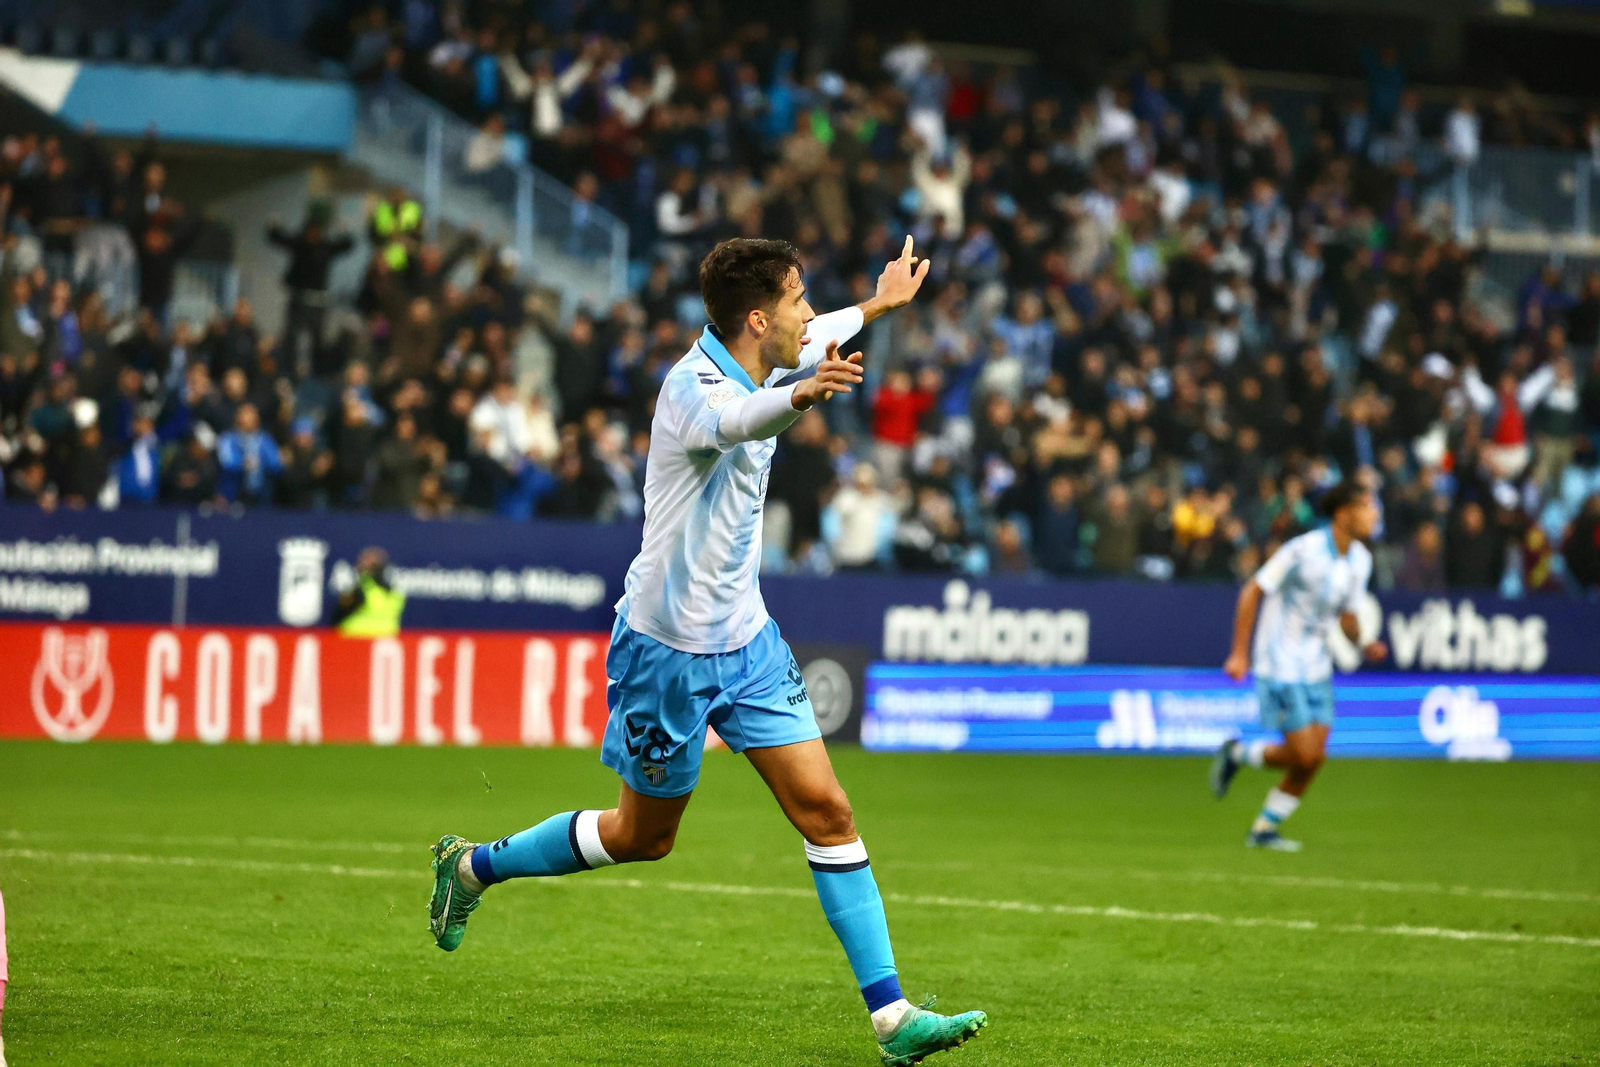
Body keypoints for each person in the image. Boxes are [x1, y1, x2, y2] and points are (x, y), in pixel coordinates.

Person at [427, 237, 989, 1065]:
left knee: (828, 810)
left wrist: (878, 306)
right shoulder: (692, 390)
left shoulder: (767, 356)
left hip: (748, 640)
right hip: (667, 652)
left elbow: (807, 345)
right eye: (798, 302)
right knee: (642, 835)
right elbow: (739, 422)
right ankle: (473, 866)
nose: (810, 315)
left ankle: (892, 1018)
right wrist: (801, 397)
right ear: (758, 319)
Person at [1209, 480, 1389, 851]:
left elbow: (1347, 616)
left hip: (1316, 667)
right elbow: (1252, 590)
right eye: (1367, 507)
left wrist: (1364, 642)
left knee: (1312, 759)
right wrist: (1239, 653)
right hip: (1279, 664)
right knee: (1306, 753)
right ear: (1343, 514)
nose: (1374, 515)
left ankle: (1261, 827)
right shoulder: (1303, 550)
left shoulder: (1361, 560)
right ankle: (1239, 755)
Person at [335, 546, 406, 637]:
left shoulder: (362, 588)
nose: (359, 566)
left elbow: (341, 610)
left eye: (364, 563)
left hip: (355, 639)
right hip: (385, 639)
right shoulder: (396, 592)